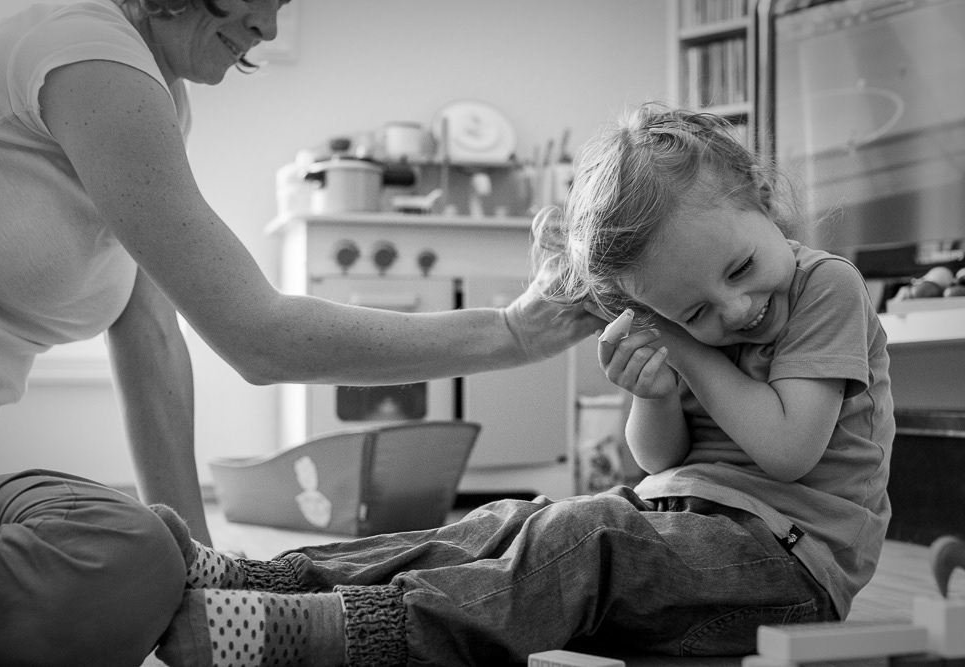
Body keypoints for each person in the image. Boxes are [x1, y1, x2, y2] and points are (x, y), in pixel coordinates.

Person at [147, 102, 895, 667]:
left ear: (762, 200)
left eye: (738, 270)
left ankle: (346, 633)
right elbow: (657, 464)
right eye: (694, 308)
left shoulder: (824, 285)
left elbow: (788, 448)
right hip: (688, 530)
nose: (733, 310)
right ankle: (274, 581)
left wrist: (680, 337)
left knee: (587, 535)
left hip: (790, 571)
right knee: (507, 521)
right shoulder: (687, 321)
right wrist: (655, 393)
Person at [0, 0, 599, 664]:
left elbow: (149, 337)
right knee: (126, 557)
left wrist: (199, 568)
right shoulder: (90, 57)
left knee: (139, 548)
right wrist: (510, 332)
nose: (268, 28)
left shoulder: (155, 92)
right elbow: (259, 337)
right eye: (258, 1)